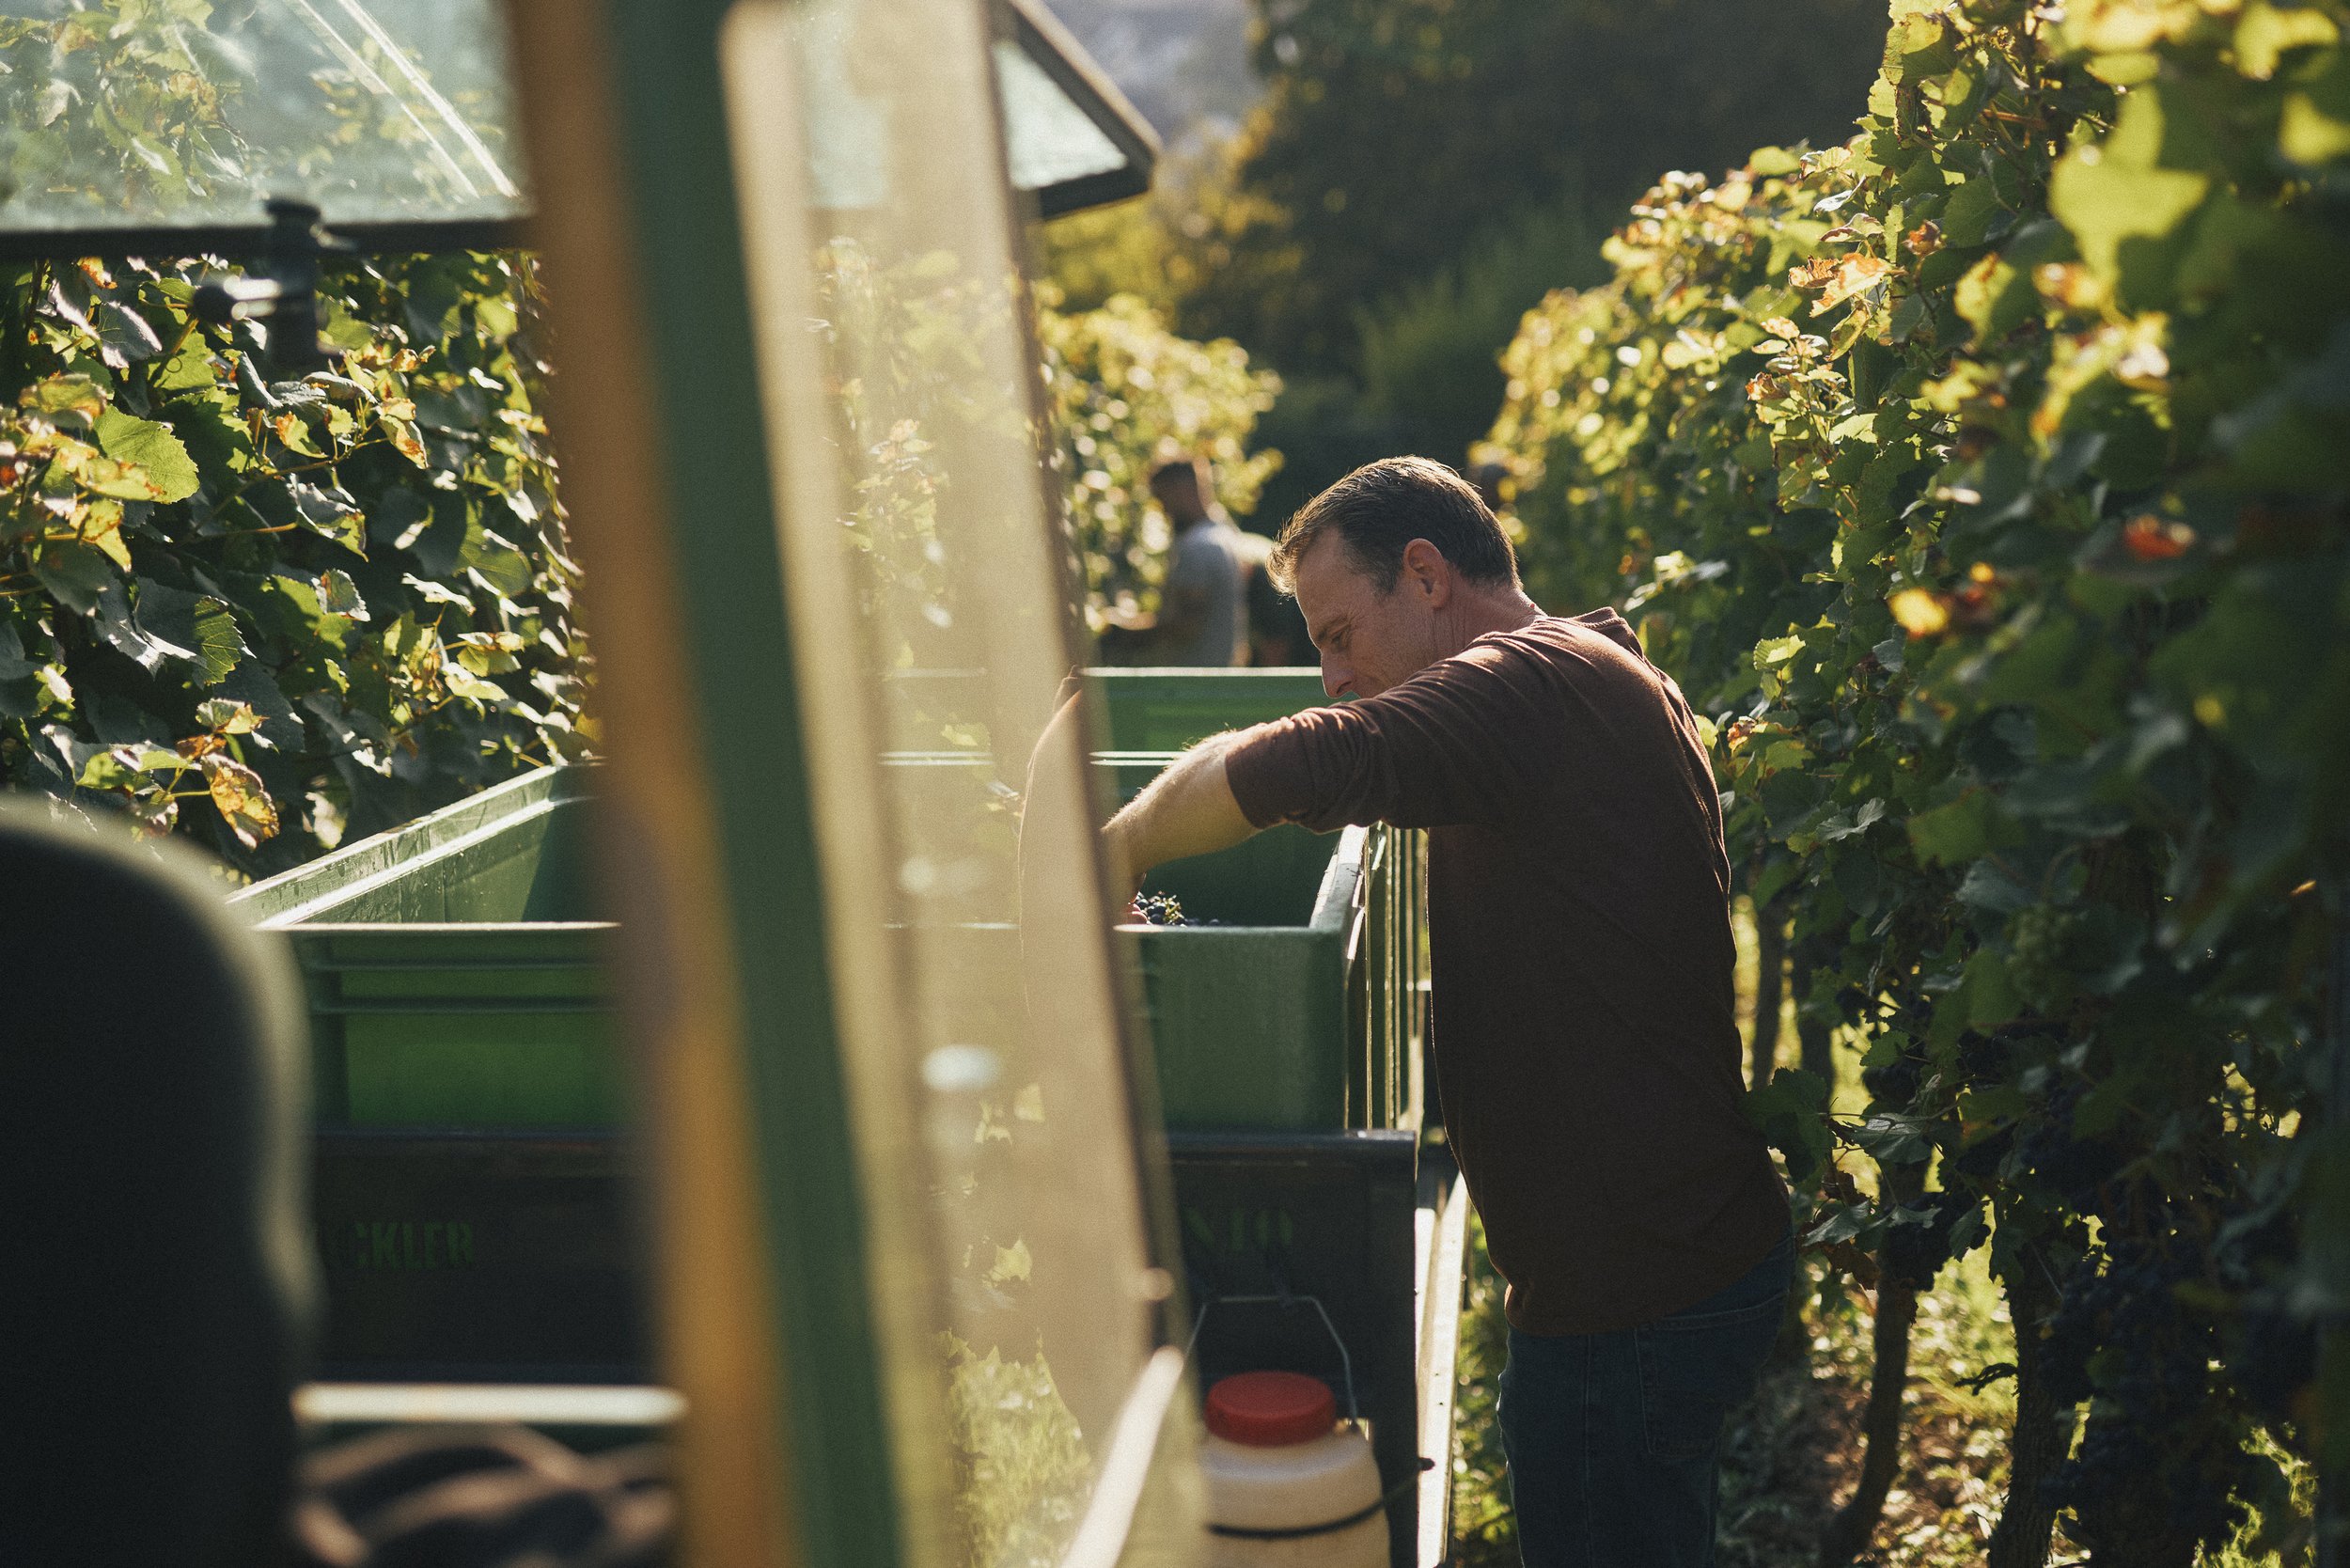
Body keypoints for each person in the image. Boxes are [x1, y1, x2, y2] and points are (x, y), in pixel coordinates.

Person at [1101, 456, 1791, 1567]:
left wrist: (1113, 850)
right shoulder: (1579, 674)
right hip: (1645, 1268)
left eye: (1336, 634)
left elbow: (1313, 762)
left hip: (1633, 1295)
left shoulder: (1537, 685)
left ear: (1423, 576)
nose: (1328, 675)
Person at [1099, 455, 1250, 666]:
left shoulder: (1198, 547)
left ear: (1180, 489)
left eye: (1162, 496)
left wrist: (1127, 632)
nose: (1163, 509)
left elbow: (1186, 626)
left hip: (1192, 684)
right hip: (1219, 679)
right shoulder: (1226, 536)